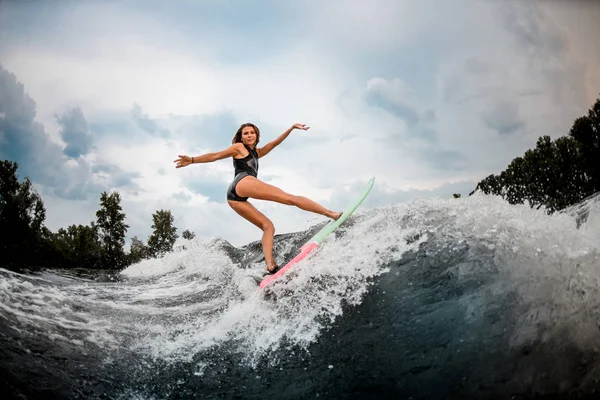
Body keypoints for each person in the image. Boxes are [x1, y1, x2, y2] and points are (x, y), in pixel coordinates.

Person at [173, 122, 342, 274]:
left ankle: (270, 265)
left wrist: (290, 129)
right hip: (243, 182)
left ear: (257, 135)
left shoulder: (257, 153)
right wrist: (193, 160)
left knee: (268, 226)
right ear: (241, 136)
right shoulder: (238, 147)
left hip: (234, 198)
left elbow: (274, 144)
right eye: (245, 133)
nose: (249, 135)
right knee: (289, 198)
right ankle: (331, 214)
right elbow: (216, 155)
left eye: (252, 132)